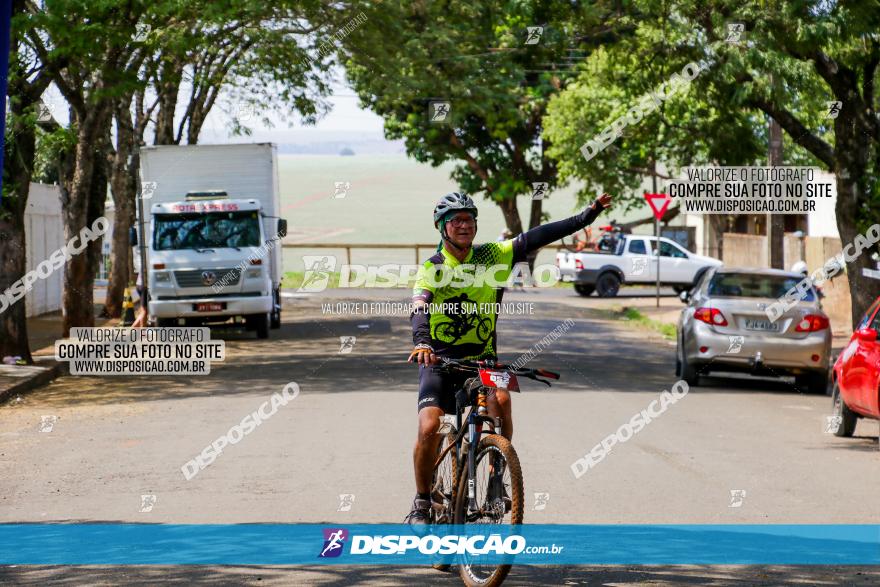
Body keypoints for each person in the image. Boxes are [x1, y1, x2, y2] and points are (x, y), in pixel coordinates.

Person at [405, 191, 612, 524]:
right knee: (429, 425)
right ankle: (422, 500)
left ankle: (495, 472)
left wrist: (585, 217)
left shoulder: (492, 255)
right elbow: (419, 307)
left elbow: (538, 235)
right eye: (455, 220)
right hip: (440, 362)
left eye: (469, 219)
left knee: (502, 398)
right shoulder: (432, 268)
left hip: (483, 360)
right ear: (441, 227)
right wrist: (422, 342)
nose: (464, 225)